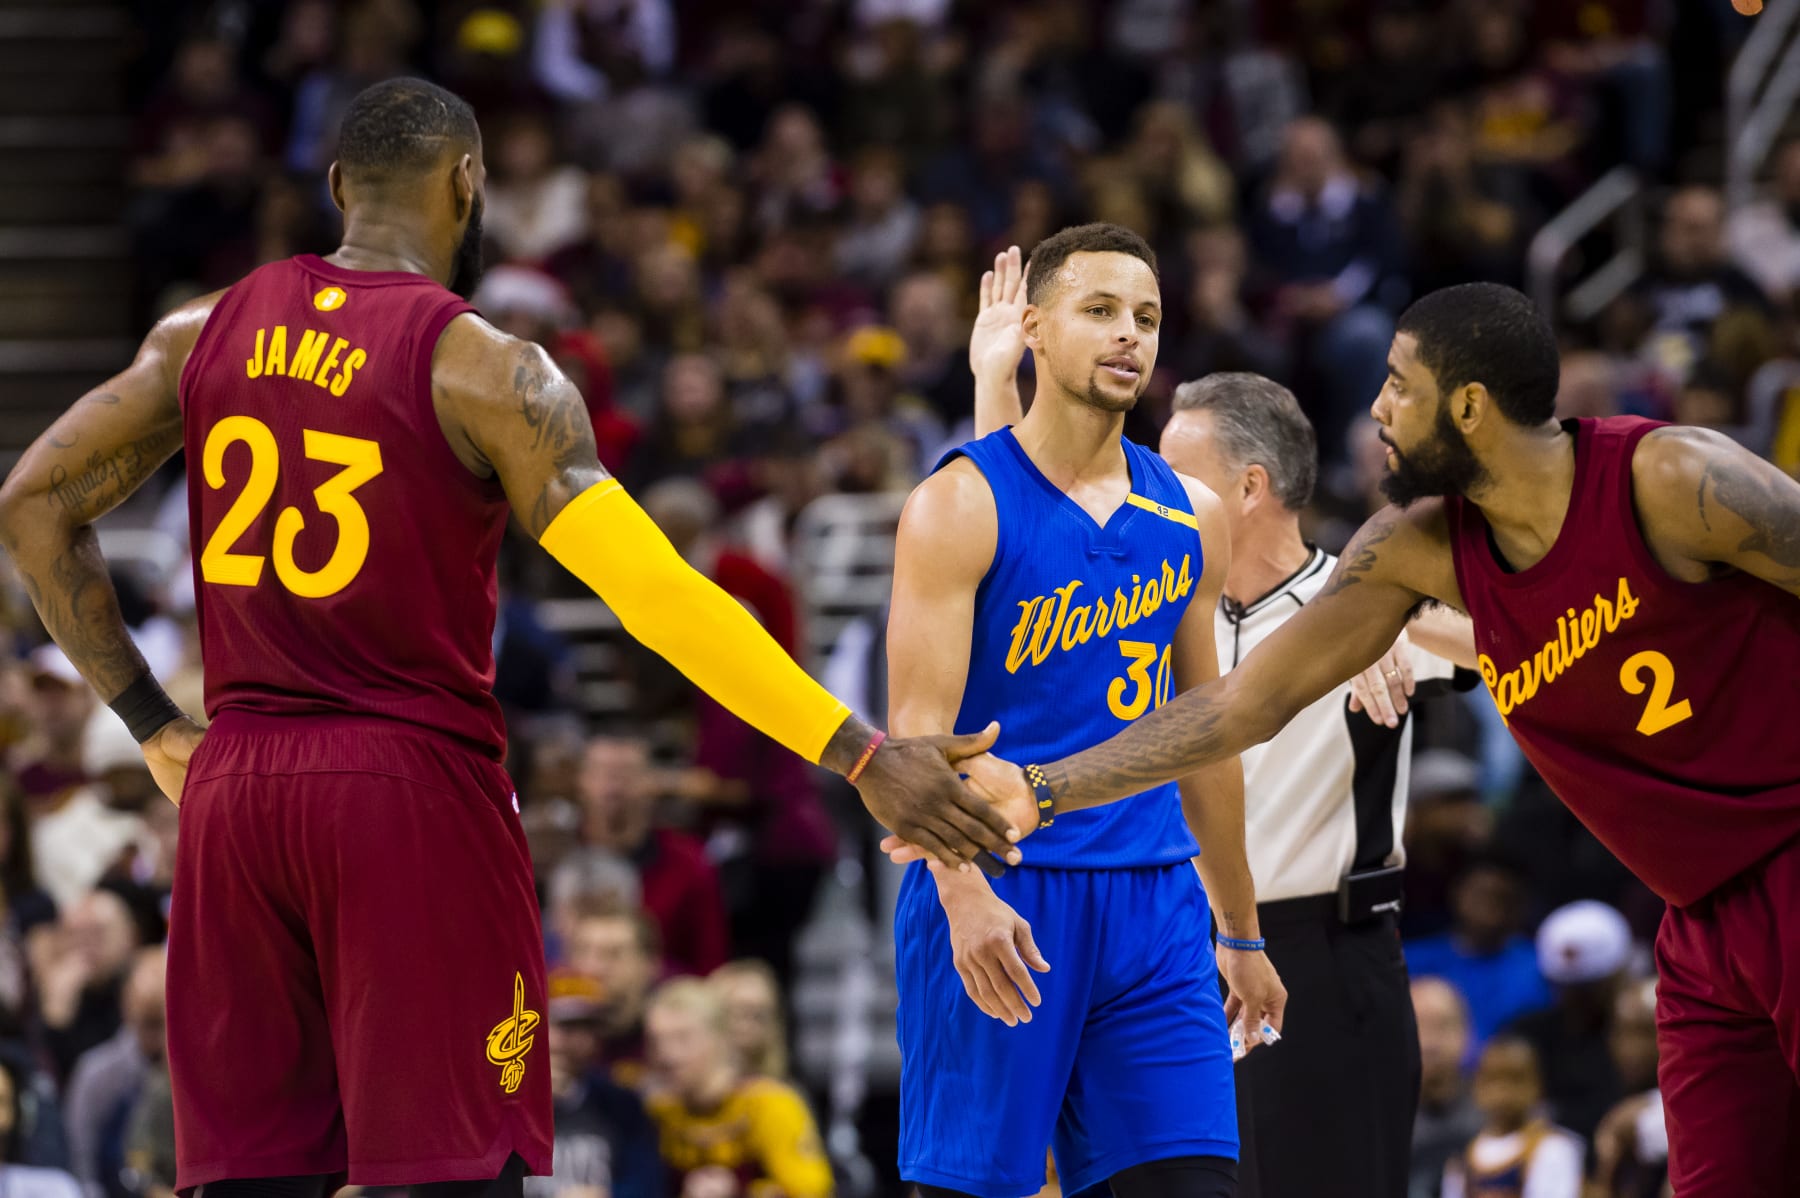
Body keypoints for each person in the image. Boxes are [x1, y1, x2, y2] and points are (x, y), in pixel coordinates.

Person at [0, 77, 1023, 1198]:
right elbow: (657, 595)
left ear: (340, 188)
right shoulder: (486, 367)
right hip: (405, 789)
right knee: (449, 1179)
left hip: (236, 790)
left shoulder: (202, 329)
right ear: (469, 184)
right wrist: (860, 754)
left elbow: (33, 502)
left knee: (251, 1180)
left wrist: (151, 721)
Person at [900, 280, 1800, 1197]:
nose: (1375, 408)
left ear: (1469, 408)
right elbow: (1239, 705)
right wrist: (1043, 788)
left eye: (1397, 385)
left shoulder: (1672, 478)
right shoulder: (1414, 552)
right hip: (1695, 922)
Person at [968, 252, 1471, 1198]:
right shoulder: (1140, 602)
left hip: (1325, 954)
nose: (1141, 474)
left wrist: (1402, 619)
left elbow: (1529, 637)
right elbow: (1019, 545)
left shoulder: (1360, 608)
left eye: (1171, 462)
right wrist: (1000, 381)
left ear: (1244, 490)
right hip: (1167, 948)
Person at [886, 224, 1284, 1198]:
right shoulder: (958, 505)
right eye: (1100, 311)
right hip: (1005, 890)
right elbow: (914, 744)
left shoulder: (1190, 510)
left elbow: (1209, 729)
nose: (1128, 336)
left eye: (1145, 318)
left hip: (1154, 902)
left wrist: (1239, 928)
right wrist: (964, 895)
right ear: (1033, 328)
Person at [642, 978, 833, 1198]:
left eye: (683, 1038)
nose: (667, 1055)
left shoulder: (769, 1105)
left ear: (720, 1037)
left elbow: (814, 1191)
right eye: (655, 1041)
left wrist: (740, 1191)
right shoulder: (657, 1112)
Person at [1439, 1037, 1583, 1198]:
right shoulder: (1461, 1158)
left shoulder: (1555, 1149)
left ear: (1538, 1085)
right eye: (1492, 1079)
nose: (1502, 1092)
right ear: (1476, 1086)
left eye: (1515, 1079)